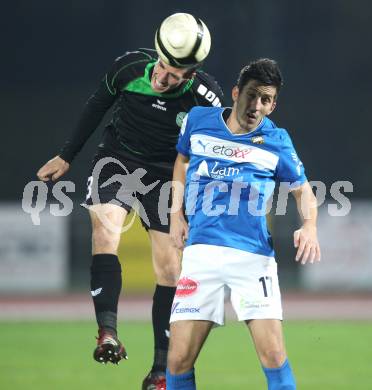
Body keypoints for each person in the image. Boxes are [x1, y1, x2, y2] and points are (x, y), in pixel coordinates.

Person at [36, 12, 223, 390]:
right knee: (105, 233)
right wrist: (66, 155)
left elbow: (218, 146)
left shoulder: (205, 96)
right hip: (117, 161)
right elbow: (96, 106)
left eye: (175, 75)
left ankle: (159, 372)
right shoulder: (128, 67)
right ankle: (107, 333)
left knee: (170, 269)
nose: (163, 77)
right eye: (164, 66)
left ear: (191, 75)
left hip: (166, 175)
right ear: (158, 53)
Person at [167, 58, 321, 389]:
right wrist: (175, 214)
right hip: (201, 253)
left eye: (266, 99)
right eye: (252, 95)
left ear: (273, 103)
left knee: (273, 355)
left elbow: (304, 192)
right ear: (236, 92)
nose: (257, 106)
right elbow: (182, 160)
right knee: (178, 359)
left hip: (252, 259)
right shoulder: (198, 121)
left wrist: (309, 226)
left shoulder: (277, 141)